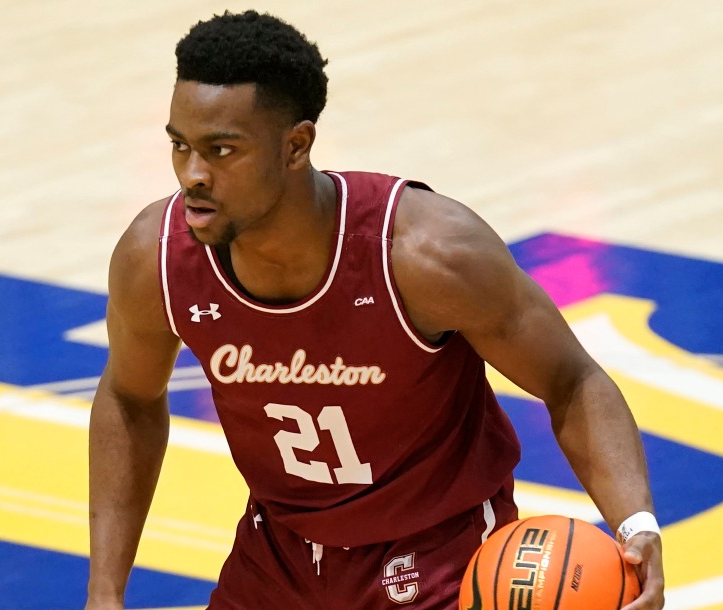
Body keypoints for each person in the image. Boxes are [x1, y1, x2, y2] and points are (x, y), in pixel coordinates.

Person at [85, 9, 664, 610]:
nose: (192, 175)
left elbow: (572, 380)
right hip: (279, 551)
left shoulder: (426, 253)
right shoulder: (153, 260)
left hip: (441, 556)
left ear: (295, 146)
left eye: (221, 150)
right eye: (180, 146)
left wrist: (635, 524)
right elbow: (129, 397)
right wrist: (105, 590)